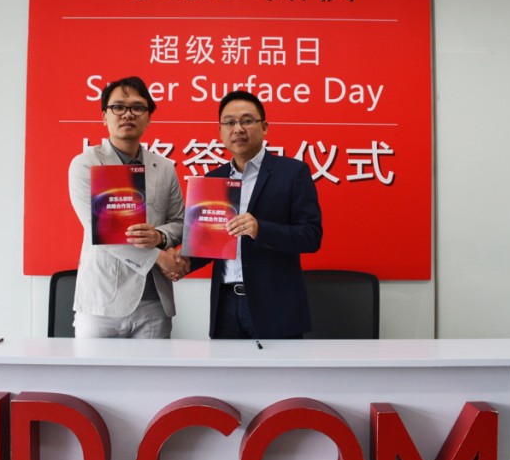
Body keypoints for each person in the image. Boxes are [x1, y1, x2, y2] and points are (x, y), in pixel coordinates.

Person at [184, 91, 322, 339]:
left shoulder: (293, 173)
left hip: (276, 305)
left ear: (264, 127)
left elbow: (311, 237)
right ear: (220, 130)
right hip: (225, 306)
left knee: (278, 367)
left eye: (247, 121)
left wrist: (260, 229)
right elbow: (208, 245)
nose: (238, 129)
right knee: (225, 366)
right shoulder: (213, 180)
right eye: (229, 122)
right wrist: (181, 261)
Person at [67, 76, 187, 338]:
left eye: (137, 107)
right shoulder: (87, 164)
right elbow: (100, 229)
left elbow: (180, 222)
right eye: (118, 107)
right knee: (93, 368)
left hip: (154, 304)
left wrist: (160, 236)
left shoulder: (164, 168)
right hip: (102, 302)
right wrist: (160, 256)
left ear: (148, 118)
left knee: (153, 368)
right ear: (104, 116)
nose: (128, 114)